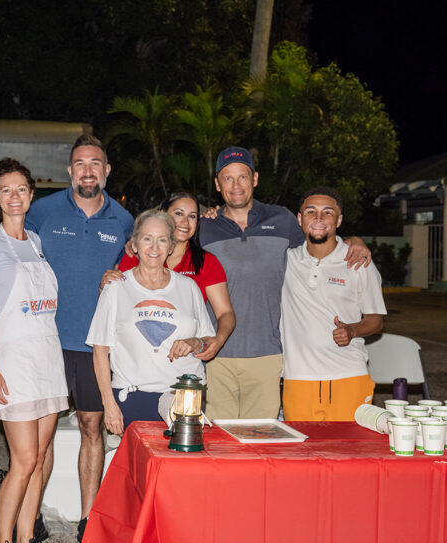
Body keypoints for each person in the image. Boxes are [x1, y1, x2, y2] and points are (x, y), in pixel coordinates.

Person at [0, 134, 133, 543]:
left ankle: (88, 519)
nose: (88, 171)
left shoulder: (123, 220)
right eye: (80, 163)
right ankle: (27, 525)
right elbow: (3, 246)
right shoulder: (43, 211)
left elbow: (141, 259)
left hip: (94, 345)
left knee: (89, 427)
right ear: (69, 170)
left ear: (107, 170)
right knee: (35, 449)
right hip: (46, 343)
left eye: (95, 163)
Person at [199, 146, 371, 420]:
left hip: (269, 353)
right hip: (217, 352)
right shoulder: (204, 227)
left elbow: (319, 242)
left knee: (262, 437)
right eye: (227, 178)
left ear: (255, 179)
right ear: (218, 185)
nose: (236, 185)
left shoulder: (281, 219)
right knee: (219, 437)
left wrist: (354, 241)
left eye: (243, 176)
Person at [0, 158, 69, 543]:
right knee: (24, 460)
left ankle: (28, 539)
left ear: (31, 196)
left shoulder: (37, 241)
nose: (15, 197)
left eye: (22, 189)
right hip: (14, 361)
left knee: (42, 457)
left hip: (47, 357)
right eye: (6, 190)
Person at [87, 209, 215, 434]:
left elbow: (207, 340)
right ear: (135, 244)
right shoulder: (115, 288)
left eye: (162, 240)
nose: (154, 247)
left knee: (182, 455)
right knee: (138, 457)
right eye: (147, 239)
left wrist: (196, 342)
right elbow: (100, 349)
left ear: (171, 246)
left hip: (184, 395)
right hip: (133, 397)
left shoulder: (189, 287)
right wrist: (109, 405)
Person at [281, 187, 386, 420]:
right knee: (300, 445)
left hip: (349, 375)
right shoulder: (286, 260)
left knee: (350, 444)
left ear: (338, 220)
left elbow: (376, 320)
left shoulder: (358, 262)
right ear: (299, 218)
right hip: (298, 378)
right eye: (311, 211)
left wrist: (352, 330)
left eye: (327, 212)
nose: (318, 218)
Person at [103, 192, 235, 358]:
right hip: (137, 357)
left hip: (185, 359)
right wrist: (104, 287)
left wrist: (218, 340)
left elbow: (225, 313)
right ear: (163, 214)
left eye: (192, 216)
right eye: (178, 213)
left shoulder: (206, 262)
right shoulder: (136, 256)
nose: (185, 222)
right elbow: (114, 307)